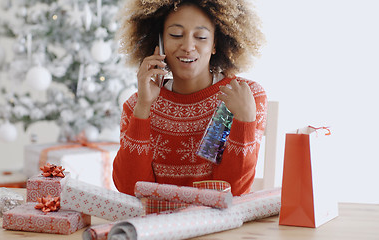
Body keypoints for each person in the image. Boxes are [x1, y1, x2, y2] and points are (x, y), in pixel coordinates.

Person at [113, 0, 266, 196]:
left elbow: (230, 193)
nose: (187, 46)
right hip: (157, 224)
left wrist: (244, 119)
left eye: (201, 37)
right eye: (176, 35)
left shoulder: (243, 97)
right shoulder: (136, 104)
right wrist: (143, 108)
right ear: (159, 43)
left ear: (215, 44)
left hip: (219, 225)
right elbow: (130, 189)